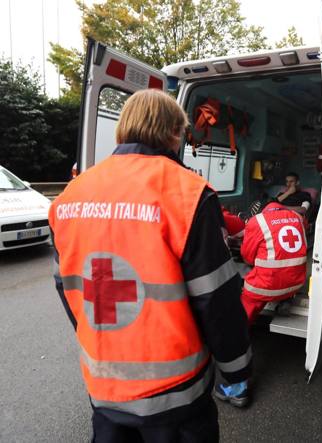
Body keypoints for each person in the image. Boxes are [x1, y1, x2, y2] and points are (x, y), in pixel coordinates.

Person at [49, 89, 252, 443]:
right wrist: (237, 368)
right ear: (174, 133)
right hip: (175, 396)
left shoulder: (70, 196)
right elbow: (216, 298)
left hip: (103, 384)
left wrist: (101, 345)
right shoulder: (187, 194)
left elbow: (67, 290)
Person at [240, 199, 308, 323]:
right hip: (295, 283)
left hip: (267, 287)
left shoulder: (257, 221)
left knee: (244, 311)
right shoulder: (298, 218)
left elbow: (248, 259)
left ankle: (238, 333)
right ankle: (286, 299)